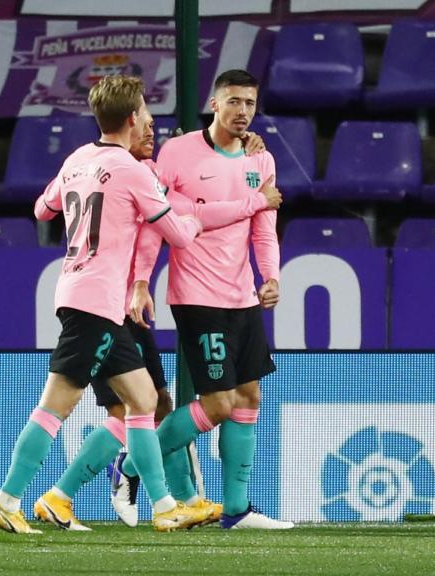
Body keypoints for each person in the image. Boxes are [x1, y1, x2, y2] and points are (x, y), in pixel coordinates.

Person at [0, 74, 214, 535]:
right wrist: (199, 214)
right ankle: (7, 501)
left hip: (88, 297)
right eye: (147, 113)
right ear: (132, 119)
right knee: (55, 407)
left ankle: (166, 506)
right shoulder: (132, 170)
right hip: (93, 301)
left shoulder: (77, 158)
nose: (150, 121)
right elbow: (178, 234)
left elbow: (42, 210)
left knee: (144, 398)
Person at [33, 117, 281, 531]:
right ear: (126, 125)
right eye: (145, 125)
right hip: (108, 301)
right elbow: (182, 222)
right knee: (127, 407)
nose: (152, 133)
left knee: (156, 405)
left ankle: (178, 501)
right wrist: (257, 200)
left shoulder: (103, 165)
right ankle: (62, 494)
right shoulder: (137, 173)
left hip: (122, 300)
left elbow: (44, 208)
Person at [114, 69, 294, 530]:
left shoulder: (262, 161)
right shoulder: (176, 153)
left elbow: (264, 230)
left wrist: (269, 276)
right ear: (214, 103)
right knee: (216, 404)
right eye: (234, 101)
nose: (242, 111)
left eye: (250, 104)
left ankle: (236, 510)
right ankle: (131, 466)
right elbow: (160, 223)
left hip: (241, 296)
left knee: (250, 393)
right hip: (196, 295)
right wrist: (141, 281)